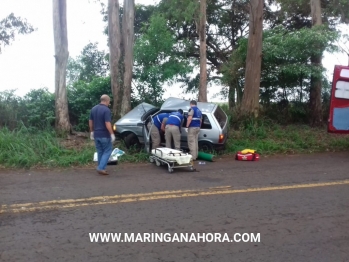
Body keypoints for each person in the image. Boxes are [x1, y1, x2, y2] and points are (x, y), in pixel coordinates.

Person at [89, 94, 115, 175]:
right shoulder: (106, 110)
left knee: (100, 151)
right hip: (105, 134)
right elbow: (107, 123)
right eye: (109, 102)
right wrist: (112, 134)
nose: (109, 103)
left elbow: (90, 122)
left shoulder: (93, 109)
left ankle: (100, 167)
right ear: (107, 101)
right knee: (107, 151)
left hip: (96, 134)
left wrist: (92, 132)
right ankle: (101, 168)